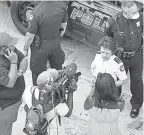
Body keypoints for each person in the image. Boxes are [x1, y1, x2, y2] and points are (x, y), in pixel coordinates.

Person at [104, 0, 143, 118]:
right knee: (116, 81)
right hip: (120, 58)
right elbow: (107, 40)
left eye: (136, 11)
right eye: (132, 13)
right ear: (124, 11)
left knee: (137, 82)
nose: (136, 14)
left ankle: (136, 106)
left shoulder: (141, 18)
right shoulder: (113, 22)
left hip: (137, 56)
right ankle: (114, 101)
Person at [23, 1, 68, 86]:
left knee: (37, 72)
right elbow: (64, 24)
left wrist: (25, 49)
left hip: (40, 47)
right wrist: (57, 37)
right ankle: (57, 90)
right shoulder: (62, 5)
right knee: (57, 68)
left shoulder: (37, 12)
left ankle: (38, 93)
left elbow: (30, 36)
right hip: (55, 43)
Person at [23, 68, 75, 135]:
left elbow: (25, 107)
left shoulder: (28, 90)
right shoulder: (54, 100)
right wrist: (71, 92)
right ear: (50, 83)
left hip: (35, 129)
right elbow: (68, 113)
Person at [0, 32, 28, 135]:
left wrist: (19, 72)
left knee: (10, 121)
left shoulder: (10, 50)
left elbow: (24, 60)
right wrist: (13, 62)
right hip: (5, 105)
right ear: (3, 48)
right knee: (4, 130)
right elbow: (10, 83)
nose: (14, 46)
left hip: (15, 99)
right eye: (11, 44)